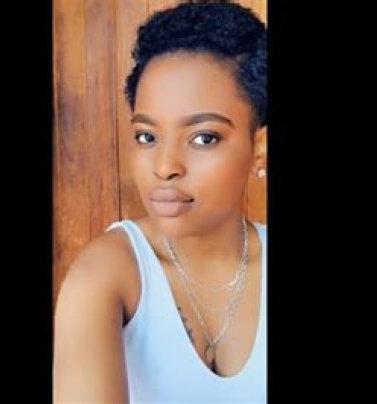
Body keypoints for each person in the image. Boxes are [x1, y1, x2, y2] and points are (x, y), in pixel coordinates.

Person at [53, 1, 267, 402]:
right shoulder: (106, 276)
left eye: (203, 138)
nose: (165, 167)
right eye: (147, 137)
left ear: (259, 147)